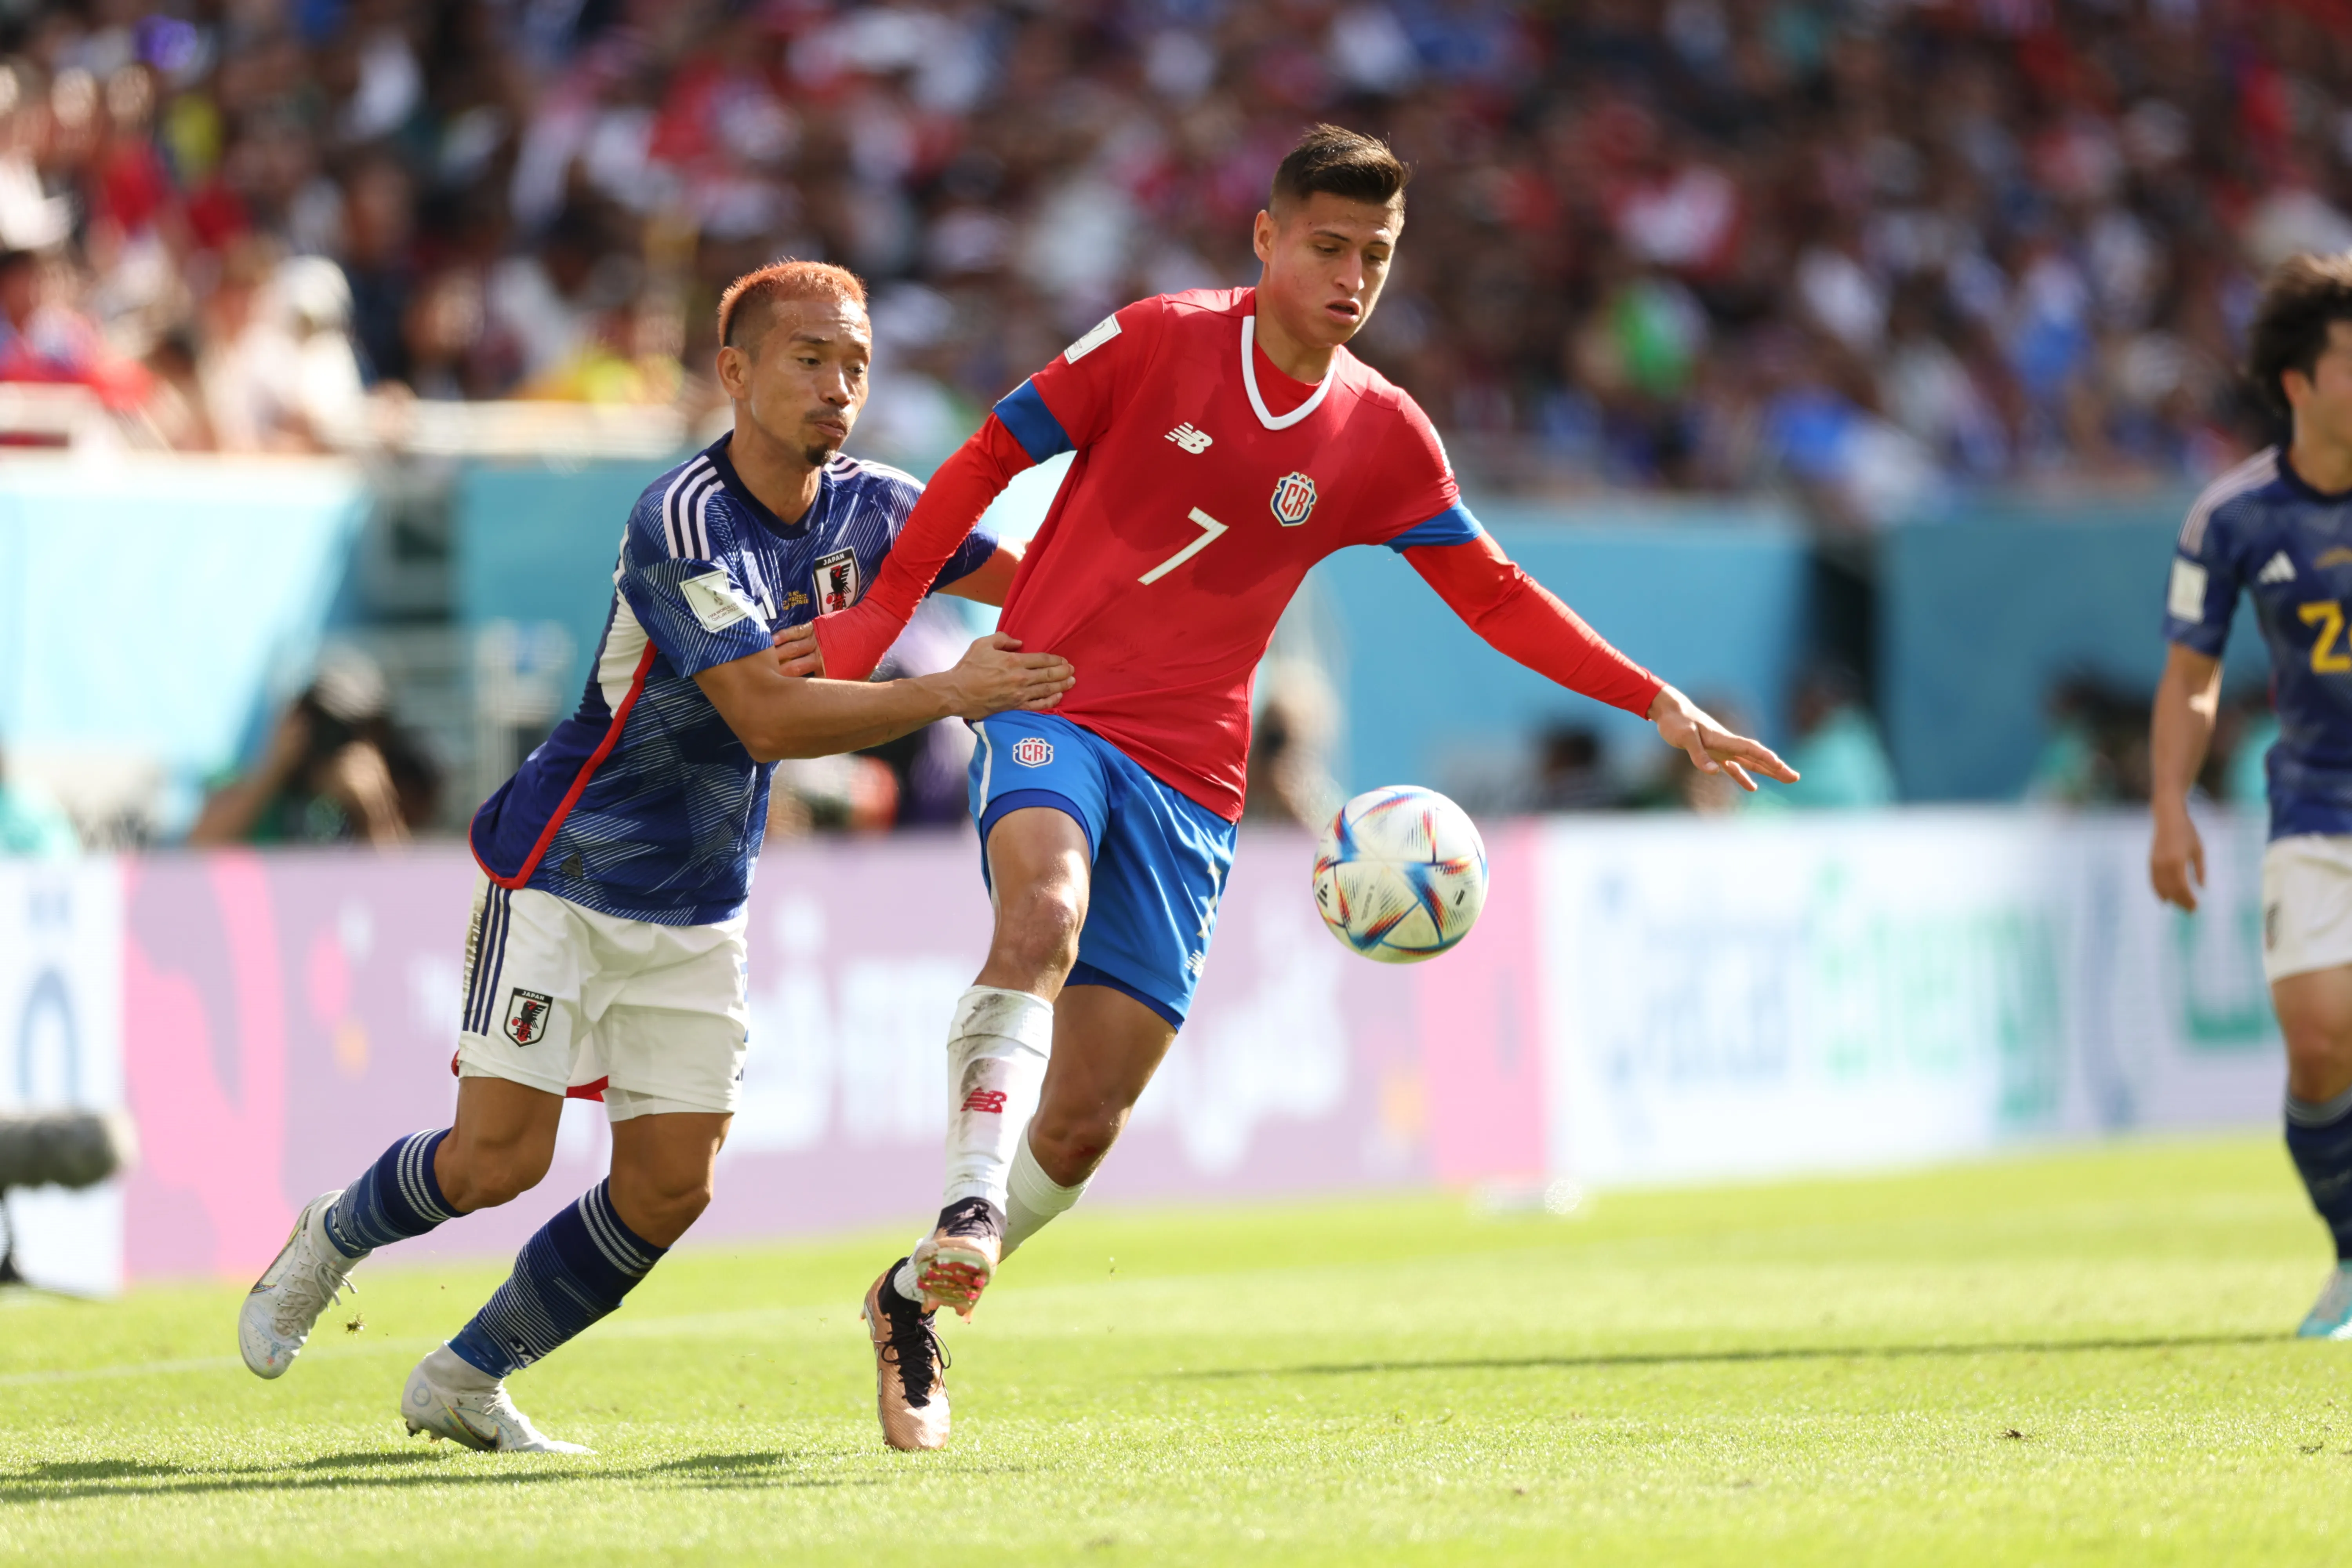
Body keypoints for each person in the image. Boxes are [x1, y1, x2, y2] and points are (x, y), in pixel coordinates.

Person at [797, 125, 1796, 1451]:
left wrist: (1657, 701)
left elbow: (1495, 595)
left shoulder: (1381, 435)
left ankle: (912, 1296)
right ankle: (970, 1205)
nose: (1353, 276)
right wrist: (876, 627)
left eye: (1376, 255)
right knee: (1043, 913)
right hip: (1049, 694)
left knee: (1086, 1123)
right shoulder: (1155, 339)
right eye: (1328, 246)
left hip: (1194, 770)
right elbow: (988, 454)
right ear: (1266, 238)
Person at [235, 260, 1069, 1453]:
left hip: (703, 897)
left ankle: (466, 1376)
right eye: (809, 359)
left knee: (673, 1185)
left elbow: (1047, 582)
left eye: (855, 365)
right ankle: (334, 1234)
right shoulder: (683, 519)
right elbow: (764, 719)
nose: (838, 388)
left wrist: (1171, 594)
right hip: (566, 874)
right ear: (734, 371)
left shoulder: (881, 507)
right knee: (495, 1161)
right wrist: (952, 691)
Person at [2152, 250, 2352, 1338]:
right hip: (2317, 806)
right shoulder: (2233, 515)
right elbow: (2193, 674)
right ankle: (2351, 1251)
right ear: (2299, 383)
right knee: (2318, 1045)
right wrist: (2169, 807)